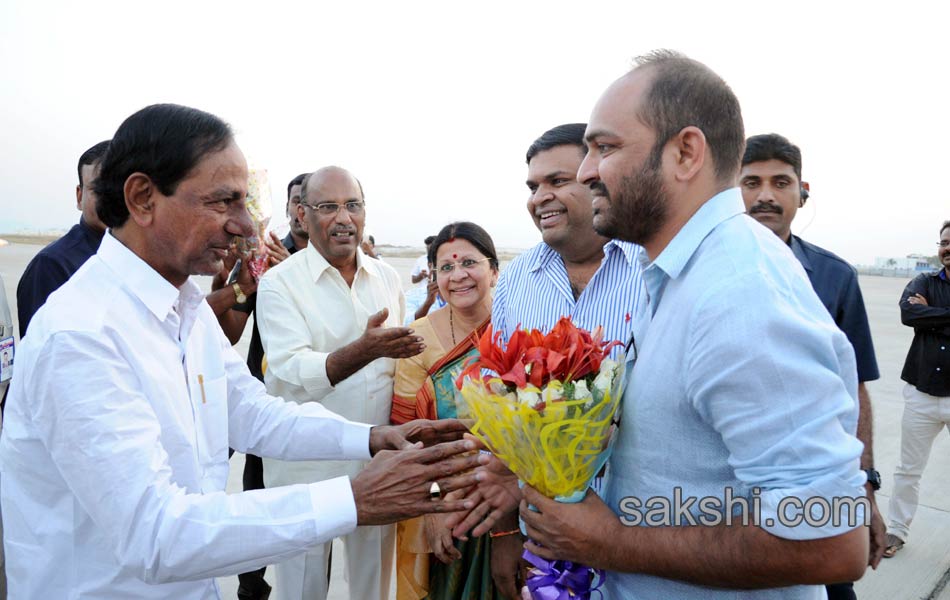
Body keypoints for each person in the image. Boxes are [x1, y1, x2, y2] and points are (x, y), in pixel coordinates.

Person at [0, 103, 485, 599]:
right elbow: (155, 535)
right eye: (223, 202)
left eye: (245, 204)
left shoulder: (185, 307)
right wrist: (356, 499)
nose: (246, 227)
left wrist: (375, 438)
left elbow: (254, 414)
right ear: (143, 197)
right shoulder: (81, 335)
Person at [482, 50, 868, 599]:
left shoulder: (740, 294)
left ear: (686, 152)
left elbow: (833, 539)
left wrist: (610, 543)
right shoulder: (671, 272)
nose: (587, 171)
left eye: (605, 147)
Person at [256, 166, 420, 600]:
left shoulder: (386, 278)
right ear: (303, 216)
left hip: (378, 466)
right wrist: (363, 349)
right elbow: (291, 370)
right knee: (302, 588)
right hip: (307, 471)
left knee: (372, 590)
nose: (343, 218)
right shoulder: (278, 284)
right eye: (328, 207)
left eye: (353, 205)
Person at [740, 133, 886, 594]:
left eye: (781, 182)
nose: (765, 194)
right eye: (752, 181)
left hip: (817, 487)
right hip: (722, 490)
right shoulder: (693, 270)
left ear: (802, 193)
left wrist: (865, 489)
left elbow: (854, 390)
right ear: (729, 189)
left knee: (834, 585)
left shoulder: (835, 277)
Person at [206, 171, 309, 600]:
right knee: (256, 489)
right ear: (286, 210)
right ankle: (251, 585)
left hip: (318, 403)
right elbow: (228, 329)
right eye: (296, 202)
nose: (303, 210)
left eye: (313, 201)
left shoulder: (350, 260)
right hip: (259, 395)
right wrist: (229, 284)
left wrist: (295, 278)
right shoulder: (262, 252)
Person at [391, 222, 507, 600]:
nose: (458, 276)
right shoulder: (418, 341)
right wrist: (435, 508)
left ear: (494, 270)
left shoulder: (519, 327)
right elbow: (408, 442)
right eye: (445, 268)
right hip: (450, 506)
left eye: (469, 263)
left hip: (513, 502)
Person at [884, 220, 950, 558]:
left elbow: (923, 317)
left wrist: (932, 315)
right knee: (908, 469)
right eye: (944, 242)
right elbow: (908, 314)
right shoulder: (924, 281)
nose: (947, 248)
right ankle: (895, 531)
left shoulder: (929, 292)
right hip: (921, 393)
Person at [16, 140, 110, 336]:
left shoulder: (143, 259)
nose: (110, 199)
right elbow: (41, 353)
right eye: (98, 190)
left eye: (117, 189)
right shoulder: (52, 265)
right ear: (79, 196)